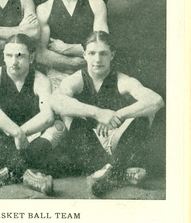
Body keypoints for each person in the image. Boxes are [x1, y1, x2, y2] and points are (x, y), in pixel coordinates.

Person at [51, 31, 164, 197]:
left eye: (103, 53)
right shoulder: (76, 80)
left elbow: (156, 100)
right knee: (68, 112)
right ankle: (120, 172)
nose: (97, 59)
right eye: (92, 53)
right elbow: (55, 102)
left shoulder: (122, 80)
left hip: (118, 142)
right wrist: (98, 113)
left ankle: (109, 172)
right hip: (90, 146)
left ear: (112, 55)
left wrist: (117, 114)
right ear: (84, 55)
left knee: (144, 114)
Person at [0, 34, 56, 195]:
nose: (14, 61)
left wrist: (22, 133)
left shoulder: (41, 80)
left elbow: (47, 115)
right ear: (3, 57)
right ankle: (30, 177)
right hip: (3, 136)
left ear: (31, 57)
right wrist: (15, 131)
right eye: (9, 56)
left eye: (20, 56)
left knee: (58, 127)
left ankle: (3, 174)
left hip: (29, 138)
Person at [36, 0, 108, 91]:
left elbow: (102, 46)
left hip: (90, 72)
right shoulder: (44, 9)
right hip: (57, 73)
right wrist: (73, 61)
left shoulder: (97, 4)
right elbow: (41, 54)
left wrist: (65, 48)